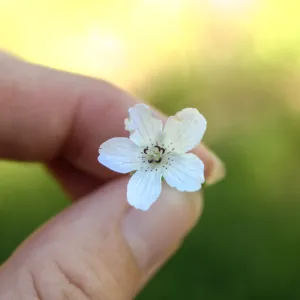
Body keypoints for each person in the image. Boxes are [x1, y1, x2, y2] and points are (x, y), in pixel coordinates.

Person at [0, 52, 225, 300]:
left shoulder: (178, 144)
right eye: (154, 151)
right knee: (142, 204)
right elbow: (117, 149)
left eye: (158, 152)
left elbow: (190, 168)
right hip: (146, 173)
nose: (156, 154)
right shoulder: (139, 150)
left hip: (166, 169)